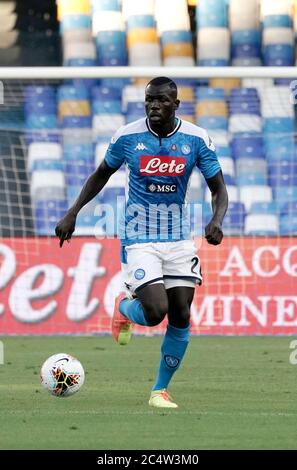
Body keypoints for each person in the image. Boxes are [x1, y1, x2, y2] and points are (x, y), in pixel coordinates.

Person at [55, 76, 228, 409]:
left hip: (179, 240)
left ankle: (159, 391)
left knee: (180, 315)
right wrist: (73, 212)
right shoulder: (127, 136)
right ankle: (124, 307)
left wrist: (216, 221)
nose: (154, 106)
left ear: (176, 104)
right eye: (149, 100)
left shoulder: (196, 139)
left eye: (162, 100)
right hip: (139, 237)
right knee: (154, 312)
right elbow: (100, 174)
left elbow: (218, 188)